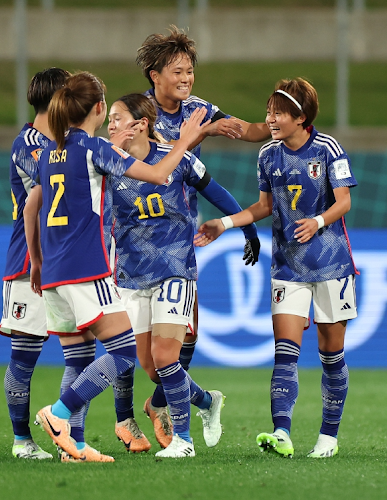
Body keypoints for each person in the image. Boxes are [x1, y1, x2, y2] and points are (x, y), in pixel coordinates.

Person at [28, 71, 208, 462]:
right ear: (97, 108)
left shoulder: (47, 153)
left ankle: (73, 446)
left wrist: (37, 262)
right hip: (85, 268)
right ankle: (59, 415)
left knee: (77, 359)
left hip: (54, 271)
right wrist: (186, 141)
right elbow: (160, 174)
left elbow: (32, 207)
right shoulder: (95, 148)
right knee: (125, 352)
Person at [194, 78, 358, 459]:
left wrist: (317, 222)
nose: (270, 118)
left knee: (331, 354)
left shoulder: (328, 149)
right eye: (269, 111)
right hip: (287, 267)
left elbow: (344, 200)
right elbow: (264, 205)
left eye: (278, 112)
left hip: (331, 265)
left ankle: (328, 437)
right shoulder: (268, 154)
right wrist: (225, 224)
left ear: (301, 117)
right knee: (284, 352)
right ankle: (281, 432)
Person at [135, 24, 269, 446]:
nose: (186, 79)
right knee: (143, 360)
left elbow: (243, 134)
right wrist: (202, 132)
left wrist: (280, 121)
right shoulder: (139, 117)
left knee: (180, 346)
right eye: (177, 71)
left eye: (190, 71)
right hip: (134, 246)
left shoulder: (198, 108)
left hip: (177, 246)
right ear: (155, 75)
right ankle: (191, 401)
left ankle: (160, 412)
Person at [107, 93, 229, 458]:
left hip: (175, 269)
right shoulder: (105, 161)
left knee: (165, 357)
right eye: (108, 118)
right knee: (148, 365)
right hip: (131, 273)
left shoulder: (178, 160)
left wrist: (242, 226)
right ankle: (207, 401)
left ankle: (184, 441)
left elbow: (215, 191)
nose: (110, 125)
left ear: (139, 125)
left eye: (116, 118)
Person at [0, 67, 71, 460]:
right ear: (58, 98)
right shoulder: (28, 143)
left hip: (70, 259)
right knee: (25, 354)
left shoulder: (67, 141)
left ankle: (70, 437)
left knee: (82, 352)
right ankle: (21, 439)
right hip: (30, 261)